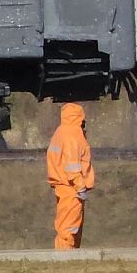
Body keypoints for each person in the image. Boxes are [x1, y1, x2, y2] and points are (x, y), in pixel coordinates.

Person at [44, 102, 94, 250]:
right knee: (69, 228)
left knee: (68, 225)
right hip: (71, 188)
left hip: (62, 186)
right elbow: (72, 166)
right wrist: (81, 187)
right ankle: (65, 259)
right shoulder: (73, 136)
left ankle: (69, 256)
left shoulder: (60, 132)